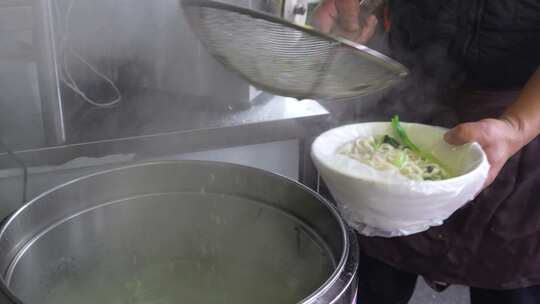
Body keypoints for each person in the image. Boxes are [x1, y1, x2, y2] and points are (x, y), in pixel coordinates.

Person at [313, 1, 540, 303]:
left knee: (508, 284)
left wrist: (517, 125)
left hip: (518, 131)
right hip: (403, 98)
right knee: (375, 280)